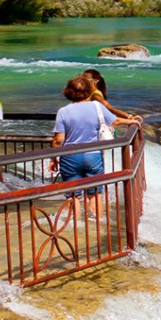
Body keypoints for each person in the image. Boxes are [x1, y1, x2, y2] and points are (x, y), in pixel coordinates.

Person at [51, 77, 120, 216]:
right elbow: (116, 121)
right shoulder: (97, 106)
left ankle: (76, 228)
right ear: (89, 90)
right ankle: (97, 224)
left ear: (68, 92)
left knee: (73, 195)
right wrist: (132, 121)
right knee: (94, 193)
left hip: (70, 156)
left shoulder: (63, 111)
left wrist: (53, 158)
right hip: (93, 155)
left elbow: (59, 140)